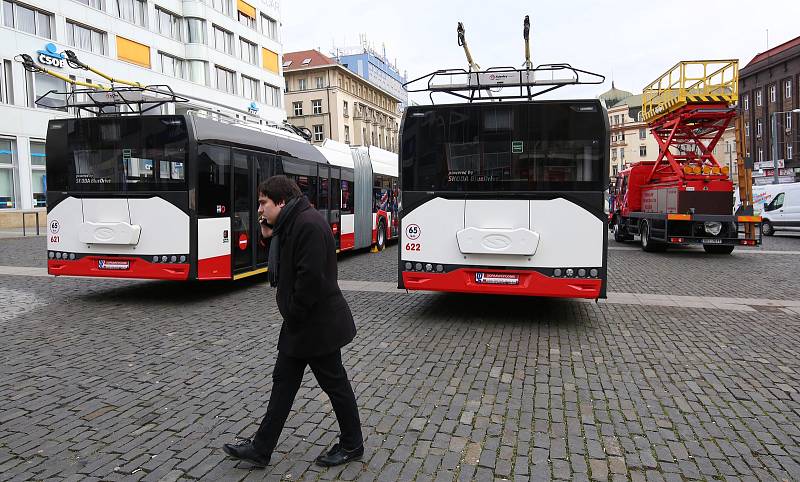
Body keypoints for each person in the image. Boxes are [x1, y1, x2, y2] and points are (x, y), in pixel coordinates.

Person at [223, 175, 364, 468]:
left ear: (281, 201)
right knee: (283, 383)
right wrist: (267, 231)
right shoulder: (292, 221)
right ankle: (262, 448)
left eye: (263, 203)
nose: (259, 209)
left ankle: (352, 445)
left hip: (316, 325)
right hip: (303, 324)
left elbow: (310, 280)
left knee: (335, 385)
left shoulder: (308, 225)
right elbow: (283, 257)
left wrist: (294, 315)